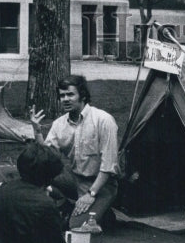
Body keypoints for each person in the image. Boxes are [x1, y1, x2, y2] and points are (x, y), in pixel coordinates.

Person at [31, 74, 119, 229]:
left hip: (101, 185)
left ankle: (103, 213)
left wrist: (91, 194)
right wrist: (37, 132)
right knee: (37, 172)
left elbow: (109, 166)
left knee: (76, 227)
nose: (65, 99)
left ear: (83, 95)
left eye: (70, 94)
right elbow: (47, 157)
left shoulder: (104, 120)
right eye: (62, 96)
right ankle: (67, 204)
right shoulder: (59, 124)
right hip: (74, 180)